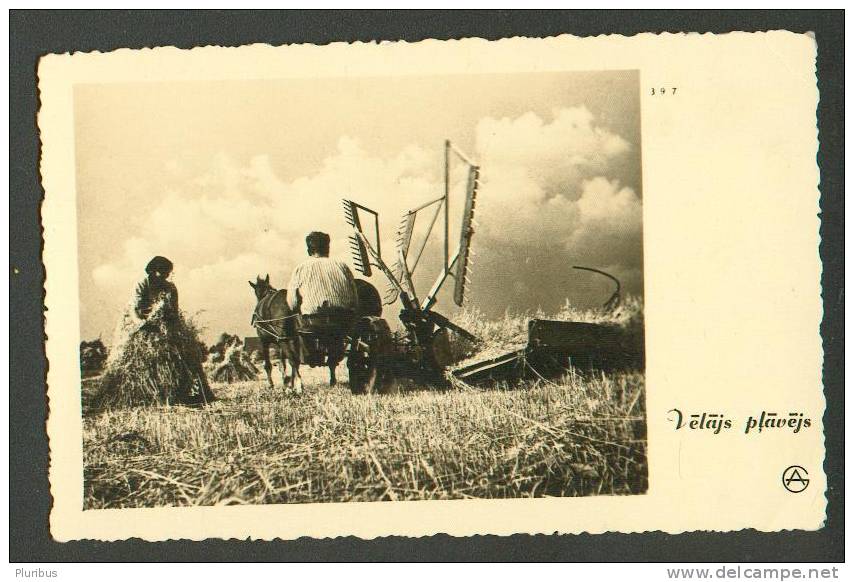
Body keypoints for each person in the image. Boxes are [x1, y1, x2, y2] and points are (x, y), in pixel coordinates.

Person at [287, 232, 359, 376]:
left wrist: (296, 308)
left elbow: (292, 302)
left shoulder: (300, 269)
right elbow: (354, 297)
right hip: (342, 320)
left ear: (309, 250)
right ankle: (336, 353)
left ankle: (310, 355)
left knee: (297, 321)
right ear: (327, 248)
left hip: (313, 321)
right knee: (337, 333)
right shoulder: (342, 266)